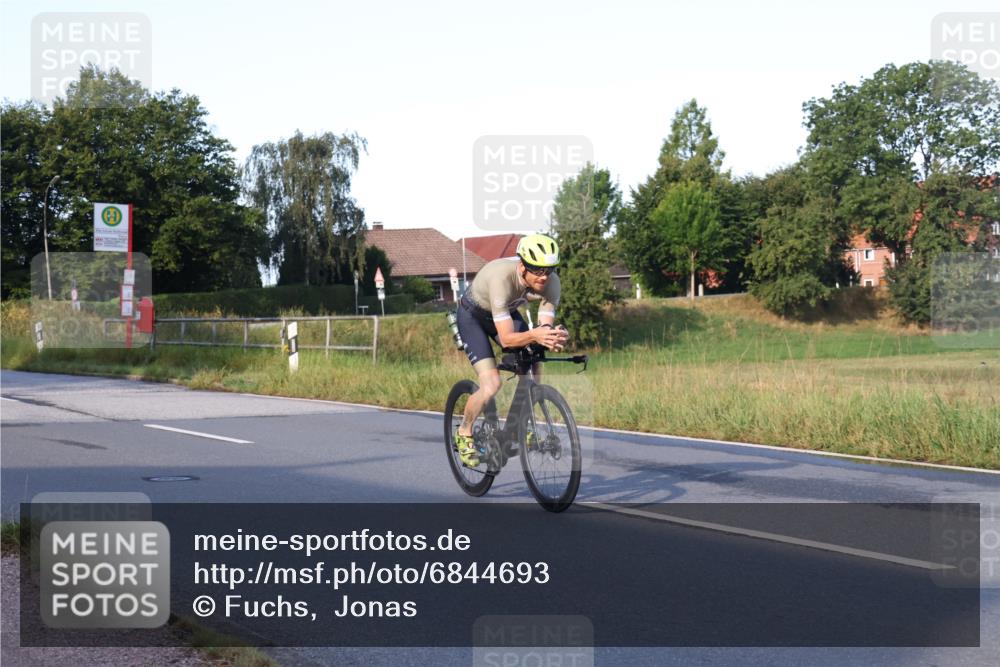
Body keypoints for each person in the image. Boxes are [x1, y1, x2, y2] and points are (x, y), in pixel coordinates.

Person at [453, 233, 569, 467]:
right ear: (523, 266)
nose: (544, 277)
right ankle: (464, 432)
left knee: (534, 359)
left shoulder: (552, 283)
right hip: (473, 316)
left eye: (549, 270)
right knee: (492, 384)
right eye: (537, 270)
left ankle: (519, 423)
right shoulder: (501, 278)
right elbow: (506, 339)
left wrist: (551, 336)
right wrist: (535, 334)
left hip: (505, 313)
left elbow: (544, 326)